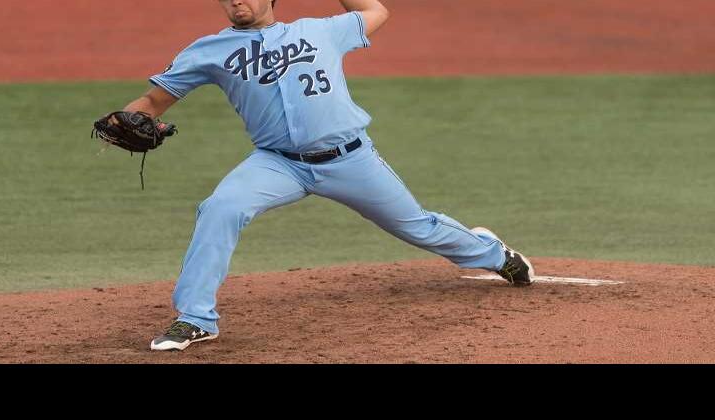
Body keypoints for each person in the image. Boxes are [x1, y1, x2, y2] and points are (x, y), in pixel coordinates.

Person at [116, 0, 535, 352]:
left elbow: (376, 10)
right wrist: (128, 118)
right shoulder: (208, 50)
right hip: (277, 163)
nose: (235, 1)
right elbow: (154, 100)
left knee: (417, 227)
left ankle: (495, 255)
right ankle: (196, 317)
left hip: (350, 160)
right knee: (220, 208)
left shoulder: (323, 30)